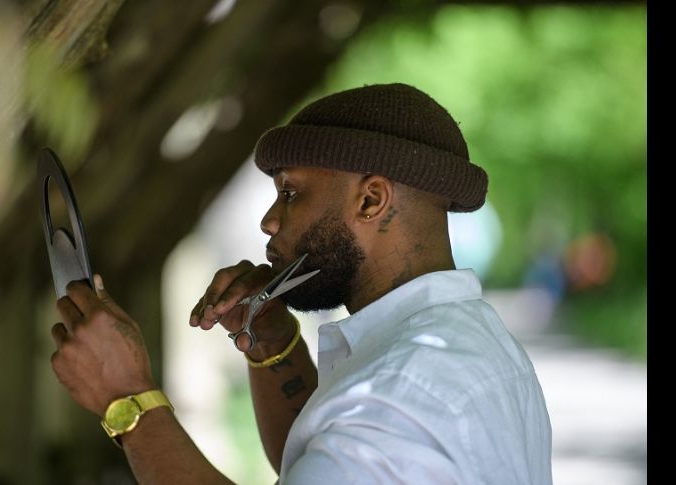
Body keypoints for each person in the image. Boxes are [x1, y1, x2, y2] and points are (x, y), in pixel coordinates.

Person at [50, 83, 553, 484]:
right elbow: (315, 461)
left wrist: (129, 399)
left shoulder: (402, 390)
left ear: (371, 201)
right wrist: (275, 347)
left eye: (290, 192)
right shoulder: (465, 343)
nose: (270, 221)